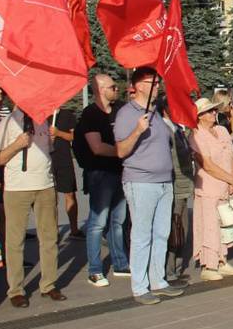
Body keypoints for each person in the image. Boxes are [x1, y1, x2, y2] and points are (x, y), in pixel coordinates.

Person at [114, 67, 186, 304]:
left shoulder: (155, 113)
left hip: (164, 182)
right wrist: (137, 130)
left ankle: (158, 280)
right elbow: (121, 151)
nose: (158, 87)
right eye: (153, 83)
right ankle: (139, 286)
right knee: (142, 235)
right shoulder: (127, 113)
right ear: (140, 85)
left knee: (161, 233)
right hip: (141, 181)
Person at [0, 106, 65, 308]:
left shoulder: (45, 119)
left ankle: (48, 284)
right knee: (15, 241)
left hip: (45, 186)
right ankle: (16, 289)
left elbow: (47, 151)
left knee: (49, 238)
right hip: (17, 188)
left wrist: (51, 141)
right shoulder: (8, 122)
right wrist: (16, 145)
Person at [74, 74, 129, 287]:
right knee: (98, 223)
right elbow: (96, 147)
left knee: (118, 221)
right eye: (113, 87)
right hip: (100, 173)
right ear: (100, 89)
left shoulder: (118, 110)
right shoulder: (91, 114)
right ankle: (95, 269)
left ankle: (120, 263)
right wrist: (122, 151)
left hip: (119, 171)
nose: (117, 90)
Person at [189, 98, 233, 281]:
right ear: (199, 116)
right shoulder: (196, 134)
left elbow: (232, 155)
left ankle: (222, 260)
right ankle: (208, 264)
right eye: (209, 111)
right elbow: (208, 165)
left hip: (226, 185)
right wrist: (231, 179)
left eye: (214, 110)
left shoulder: (221, 130)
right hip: (208, 187)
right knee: (209, 225)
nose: (214, 113)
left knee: (223, 225)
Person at [162, 104, 194, 282]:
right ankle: (169, 269)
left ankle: (173, 266)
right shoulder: (165, 128)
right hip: (173, 183)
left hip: (183, 183)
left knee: (181, 225)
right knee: (174, 226)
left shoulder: (178, 128)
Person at [50, 107, 81, 239]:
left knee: (70, 193)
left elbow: (74, 136)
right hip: (46, 159)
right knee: (51, 197)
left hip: (64, 158)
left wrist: (58, 133)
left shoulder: (67, 114)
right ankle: (53, 231)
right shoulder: (40, 115)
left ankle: (74, 230)